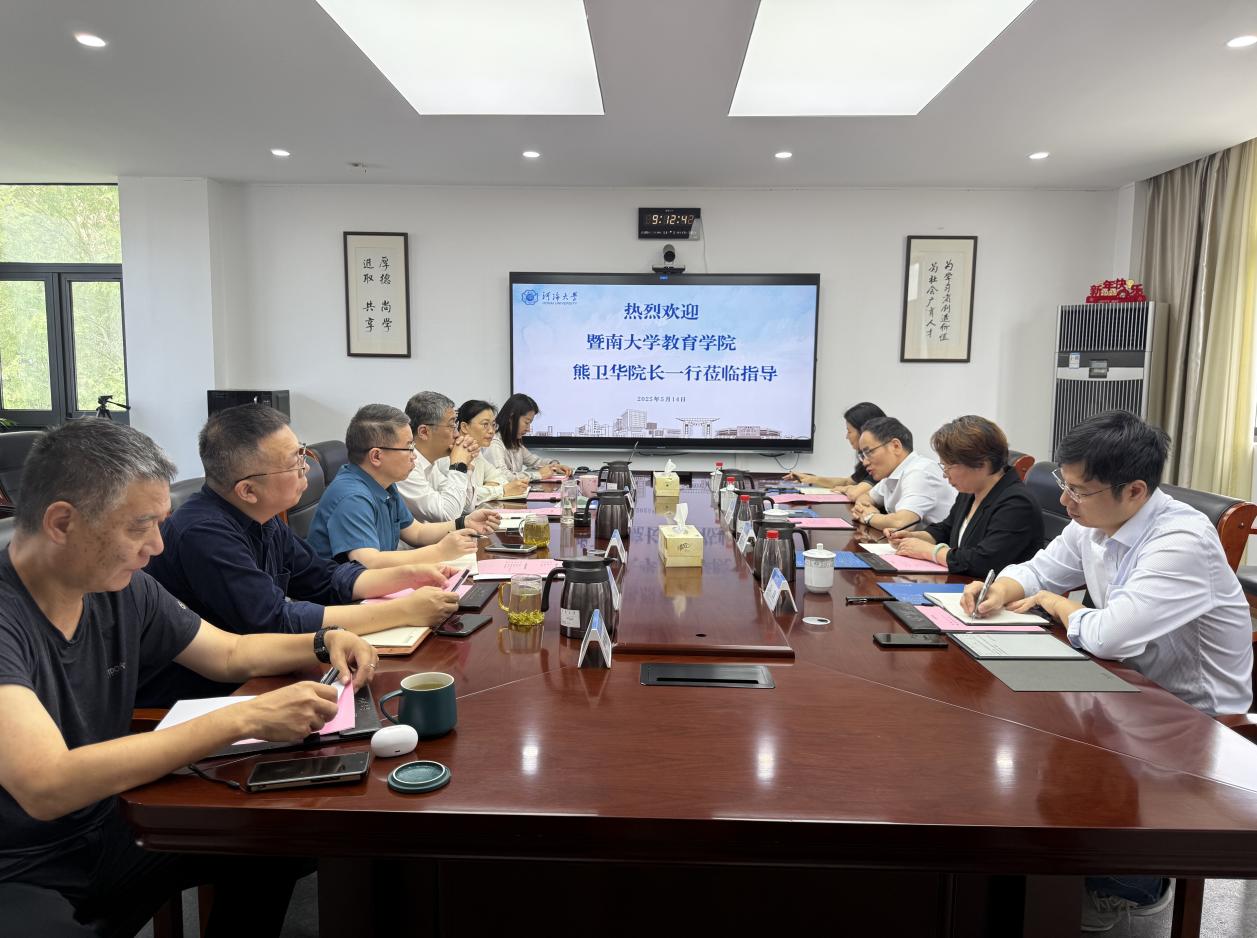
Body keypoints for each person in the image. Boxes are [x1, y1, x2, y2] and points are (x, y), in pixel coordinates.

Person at [0, 419, 379, 937]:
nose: (157, 546)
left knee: (277, 840)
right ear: (62, 522)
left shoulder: (123, 589)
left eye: (160, 523)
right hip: (21, 865)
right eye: (139, 526)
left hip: (109, 822)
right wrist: (243, 717)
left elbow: (228, 653)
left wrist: (323, 641)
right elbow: (46, 785)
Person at [959, 410, 1252, 931]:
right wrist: (1000, 589)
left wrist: (1054, 603)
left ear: (1135, 490)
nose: (1065, 502)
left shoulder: (1180, 540)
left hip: (1189, 720)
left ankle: (1134, 883)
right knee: (994, 740)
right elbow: (1039, 569)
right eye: (1064, 485)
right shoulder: (1094, 523)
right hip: (1120, 690)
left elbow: (1110, 635)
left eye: (1078, 491)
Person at [142, 404, 461, 706]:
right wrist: (403, 612)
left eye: (301, 452)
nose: (305, 467)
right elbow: (276, 622)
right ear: (248, 490)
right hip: (206, 697)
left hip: (269, 672)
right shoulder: (203, 533)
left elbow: (324, 579)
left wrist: (405, 577)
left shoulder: (262, 518)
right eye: (294, 461)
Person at [307, 404, 500, 566]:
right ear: (376, 456)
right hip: (341, 596)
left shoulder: (385, 485)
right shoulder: (352, 496)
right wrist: (440, 552)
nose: (414, 455)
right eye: (408, 447)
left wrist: (464, 522)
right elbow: (369, 562)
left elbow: (417, 532)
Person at [889, 415, 1042, 577]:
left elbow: (984, 562)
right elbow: (947, 528)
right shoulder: (971, 490)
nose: (945, 474)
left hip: (992, 589)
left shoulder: (1017, 503)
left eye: (949, 466)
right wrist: (916, 537)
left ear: (981, 463)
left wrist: (930, 551)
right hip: (962, 582)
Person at [850, 416, 955, 531]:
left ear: (895, 446)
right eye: (862, 455)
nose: (865, 462)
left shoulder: (920, 472)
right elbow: (866, 496)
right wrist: (864, 507)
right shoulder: (893, 474)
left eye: (869, 452)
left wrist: (869, 517)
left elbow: (901, 523)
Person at [396, 391, 479, 522]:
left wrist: (466, 467)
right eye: (451, 426)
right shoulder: (407, 467)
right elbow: (448, 514)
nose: (457, 434)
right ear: (424, 432)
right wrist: (458, 466)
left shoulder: (429, 465)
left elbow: (466, 508)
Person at [785, 401, 884, 498]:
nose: (847, 437)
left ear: (863, 432)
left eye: (849, 431)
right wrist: (810, 478)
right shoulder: (867, 459)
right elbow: (848, 482)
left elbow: (855, 493)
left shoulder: (879, 461)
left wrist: (848, 489)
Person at [482, 393, 572, 480]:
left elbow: (535, 461)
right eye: (526, 422)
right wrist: (538, 475)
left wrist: (555, 466)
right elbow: (502, 477)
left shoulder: (514, 442)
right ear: (511, 418)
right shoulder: (494, 443)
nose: (528, 429)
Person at [456, 399, 529, 504]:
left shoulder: (476, 452)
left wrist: (485, 489)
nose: (491, 431)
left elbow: (501, 478)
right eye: (485, 424)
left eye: (493, 425)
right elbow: (465, 496)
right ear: (464, 427)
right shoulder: (452, 455)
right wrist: (501, 490)